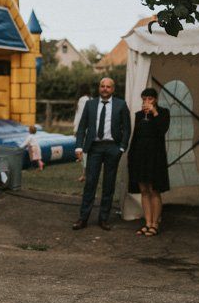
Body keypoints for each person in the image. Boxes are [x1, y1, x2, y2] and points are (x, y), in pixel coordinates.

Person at [73, 77, 131, 231]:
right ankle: (83, 218)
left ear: (113, 89)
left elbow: (127, 128)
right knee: (90, 183)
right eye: (102, 86)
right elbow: (82, 127)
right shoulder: (90, 104)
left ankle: (103, 219)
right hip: (94, 148)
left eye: (108, 87)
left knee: (109, 184)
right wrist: (78, 147)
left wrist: (122, 148)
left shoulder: (121, 104)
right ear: (99, 88)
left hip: (113, 148)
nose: (105, 89)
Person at [127, 88, 171, 236]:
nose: (146, 102)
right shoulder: (139, 115)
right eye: (144, 99)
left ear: (155, 99)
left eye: (149, 99)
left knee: (154, 190)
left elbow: (162, 130)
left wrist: (154, 112)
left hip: (155, 156)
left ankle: (155, 223)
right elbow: (136, 137)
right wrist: (131, 156)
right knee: (144, 190)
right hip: (140, 155)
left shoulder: (163, 112)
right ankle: (147, 222)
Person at [73, 83, 92, 182]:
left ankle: (85, 174)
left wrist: (77, 130)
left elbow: (80, 116)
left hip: (83, 130)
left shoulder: (82, 100)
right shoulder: (91, 99)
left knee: (83, 152)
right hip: (91, 129)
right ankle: (86, 174)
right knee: (88, 152)